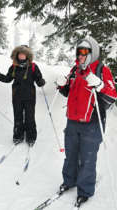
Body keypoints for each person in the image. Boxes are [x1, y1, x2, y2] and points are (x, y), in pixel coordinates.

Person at [56, 36, 117, 206]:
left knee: (88, 158)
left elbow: (112, 96)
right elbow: (68, 91)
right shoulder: (75, 70)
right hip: (73, 121)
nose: (81, 55)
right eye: (79, 51)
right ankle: (69, 181)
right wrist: (62, 85)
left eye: (84, 52)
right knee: (71, 155)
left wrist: (100, 85)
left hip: (92, 122)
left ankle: (85, 190)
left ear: (92, 53)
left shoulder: (102, 70)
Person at [0, 45, 45, 146]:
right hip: (17, 96)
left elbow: (39, 79)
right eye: (20, 54)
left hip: (30, 96)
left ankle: (31, 137)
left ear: (27, 55)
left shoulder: (33, 67)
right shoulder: (14, 67)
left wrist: (41, 81)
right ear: (17, 55)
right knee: (17, 116)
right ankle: (18, 135)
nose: (22, 56)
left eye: (24, 54)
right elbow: (7, 79)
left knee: (29, 117)